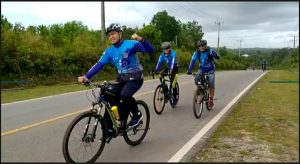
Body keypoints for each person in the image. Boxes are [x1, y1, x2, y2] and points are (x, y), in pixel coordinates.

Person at [78, 23, 154, 133]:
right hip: (122, 78)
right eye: (109, 35)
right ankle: (108, 127)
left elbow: (150, 50)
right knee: (107, 97)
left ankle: (137, 116)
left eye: (113, 34)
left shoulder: (131, 44)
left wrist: (141, 39)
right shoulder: (110, 51)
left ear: (120, 34)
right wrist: (86, 76)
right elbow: (99, 65)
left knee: (124, 95)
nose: (111, 37)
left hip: (136, 77)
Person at [186, 39, 220, 108]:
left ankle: (211, 99)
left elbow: (217, 57)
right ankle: (200, 91)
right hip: (202, 69)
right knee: (197, 78)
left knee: (211, 83)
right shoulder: (197, 52)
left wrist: (215, 55)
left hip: (210, 69)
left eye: (202, 45)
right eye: (199, 46)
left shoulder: (209, 50)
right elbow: (192, 61)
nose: (201, 47)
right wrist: (189, 70)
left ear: (205, 46)